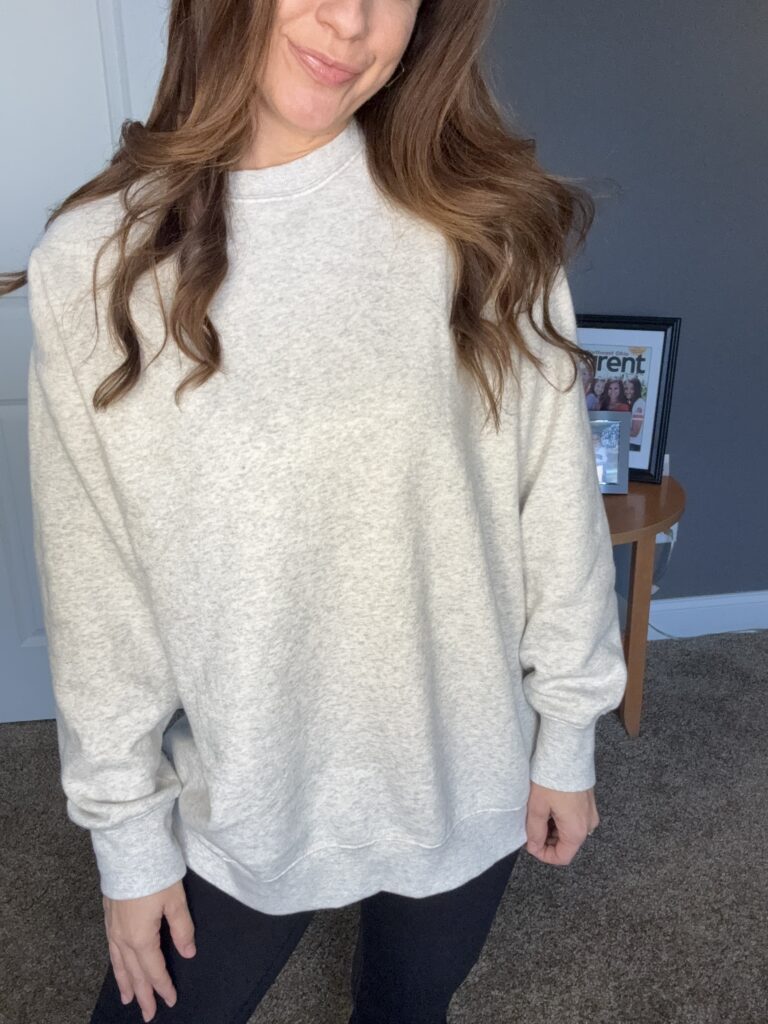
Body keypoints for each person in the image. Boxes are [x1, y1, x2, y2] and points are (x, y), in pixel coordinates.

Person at [3, 0, 628, 1021]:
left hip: (464, 777)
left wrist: (568, 733)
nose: (351, 22)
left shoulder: (485, 223)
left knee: (406, 1008)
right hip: (242, 794)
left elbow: (553, 512)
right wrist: (128, 841)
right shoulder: (101, 264)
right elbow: (98, 595)